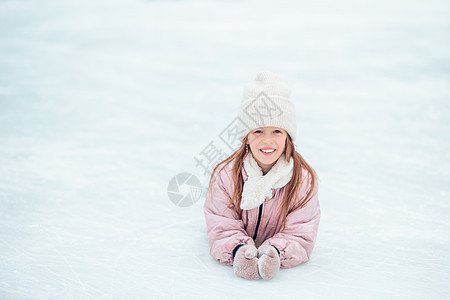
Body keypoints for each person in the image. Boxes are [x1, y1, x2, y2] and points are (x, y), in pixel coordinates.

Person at [203, 71, 321, 280]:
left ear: (288, 138)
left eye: (277, 131)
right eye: (258, 131)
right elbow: (221, 223)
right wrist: (238, 250)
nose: (268, 140)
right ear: (246, 138)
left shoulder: (302, 181)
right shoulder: (226, 176)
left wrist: (276, 252)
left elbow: (301, 233)